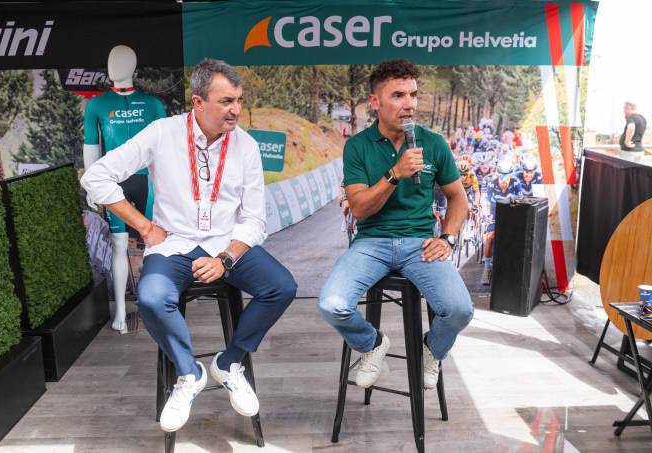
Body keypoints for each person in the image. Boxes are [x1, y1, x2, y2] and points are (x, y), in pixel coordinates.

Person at [81, 58, 297, 433]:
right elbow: (96, 177)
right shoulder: (162, 133)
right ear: (198, 102)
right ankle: (189, 373)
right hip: (173, 245)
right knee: (151, 298)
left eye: (239, 100)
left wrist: (225, 259)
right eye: (226, 101)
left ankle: (229, 363)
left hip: (225, 244)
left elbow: (254, 220)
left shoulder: (246, 146)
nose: (236, 110)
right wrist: (145, 226)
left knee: (282, 287)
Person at [318, 60, 473, 391]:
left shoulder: (433, 143)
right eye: (398, 95)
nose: (409, 104)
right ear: (375, 101)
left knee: (459, 309)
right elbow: (359, 208)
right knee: (332, 305)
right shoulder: (358, 146)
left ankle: (433, 349)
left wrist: (447, 238)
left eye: (413, 95)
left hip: (420, 243)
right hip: (371, 242)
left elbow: (458, 199)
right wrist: (395, 174)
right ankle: (372, 343)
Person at [83, 45, 166, 334]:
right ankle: (120, 308)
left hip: (148, 181)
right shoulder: (96, 105)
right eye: (110, 60)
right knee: (118, 245)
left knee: (155, 242)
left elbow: (166, 148)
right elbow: (91, 147)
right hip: (114, 182)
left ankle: (153, 304)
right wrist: (92, 188)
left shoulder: (153, 104)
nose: (112, 66)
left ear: (133, 65)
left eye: (120, 60)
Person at [480, 159, 520, 285]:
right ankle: (487, 269)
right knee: (489, 238)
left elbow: (519, 202)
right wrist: (486, 216)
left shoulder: (516, 182)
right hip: (495, 211)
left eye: (507, 177)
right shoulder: (492, 184)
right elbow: (487, 204)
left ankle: (512, 267)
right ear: (498, 174)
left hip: (510, 211)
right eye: (502, 177)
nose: (504, 181)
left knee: (514, 238)